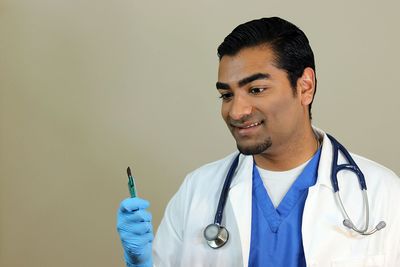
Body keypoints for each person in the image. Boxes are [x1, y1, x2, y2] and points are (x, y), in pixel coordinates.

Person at [117, 17, 400, 267]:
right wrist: (140, 264)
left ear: (305, 87)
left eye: (256, 89)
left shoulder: (383, 193)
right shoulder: (197, 191)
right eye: (226, 95)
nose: (236, 111)